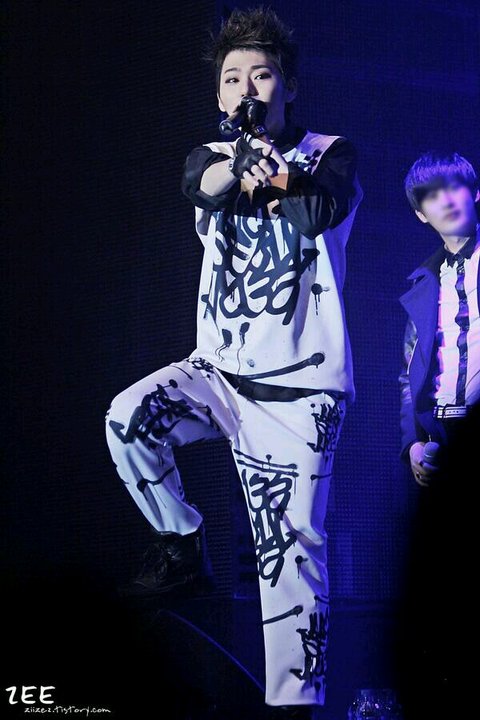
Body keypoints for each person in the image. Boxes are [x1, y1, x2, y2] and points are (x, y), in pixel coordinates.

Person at [105, 7, 362, 718]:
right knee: (129, 419)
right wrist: (239, 164)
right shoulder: (209, 154)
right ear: (220, 94)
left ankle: (294, 708)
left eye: (262, 74)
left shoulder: (331, 153)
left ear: (289, 86)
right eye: (232, 78)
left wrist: (272, 173)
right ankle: (183, 544)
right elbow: (201, 185)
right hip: (217, 373)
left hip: (300, 391)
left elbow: (318, 212)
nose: (247, 87)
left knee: (290, 559)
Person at [397, 151, 479, 718]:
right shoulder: (423, 282)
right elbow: (408, 375)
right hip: (443, 437)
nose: (445, 199)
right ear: (421, 214)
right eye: (431, 195)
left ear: (474, 194)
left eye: (454, 187)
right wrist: (412, 442)